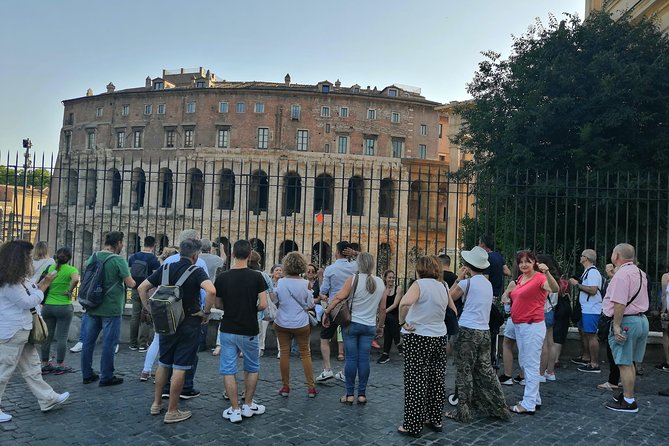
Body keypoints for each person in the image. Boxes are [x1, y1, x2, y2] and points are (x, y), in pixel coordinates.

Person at [139, 238, 215, 424]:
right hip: (188, 323)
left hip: (166, 323)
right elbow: (211, 291)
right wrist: (205, 312)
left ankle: (156, 404)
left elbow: (142, 287)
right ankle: (172, 410)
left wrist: (149, 309)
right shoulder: (196, 271)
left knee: (164, 363)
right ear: (195, 256)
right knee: (180, 367)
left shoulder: (165, 268)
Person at [0, 240, 69, 423]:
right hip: (11, 331)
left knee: (32, 368)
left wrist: (43, 285)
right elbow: (27, 302)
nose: (30, 260)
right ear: (17, 259)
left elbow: (33, 293)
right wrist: (42, 289)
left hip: (23, 330)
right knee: (4, 371)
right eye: (27, 257)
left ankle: (47, 398)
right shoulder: (8, 282)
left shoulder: (20, 278)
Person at [445, 246, 511, 423]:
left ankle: (463, 412)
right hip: (484, 332)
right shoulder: (487, 284)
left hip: (467, 331)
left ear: (468, 264)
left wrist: (458, 278)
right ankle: (500, 407)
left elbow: (448, 297)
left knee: (464, 372)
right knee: (486, 371)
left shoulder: (467, 283)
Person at [215, 240, 268, 424]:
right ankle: (248, 404)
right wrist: (251, 309)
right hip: (249, 328)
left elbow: (217, 303)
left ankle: (235, 409)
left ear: (233, 254)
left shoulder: (222, 277)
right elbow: (263, 304)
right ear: (250, 253)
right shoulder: (257, 277)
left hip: (228, 328)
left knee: (228, 369)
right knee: (252, 367)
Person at [397, 256, 451, 438]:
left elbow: (404, 303)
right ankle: (435, 418)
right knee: (436, 379)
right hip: (439, 336)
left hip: (418, 336)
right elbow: (453, 309)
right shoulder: (443, 285)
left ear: (419, 269)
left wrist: (402, 321)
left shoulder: (419, 285)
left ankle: (412, 424)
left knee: (416, 381)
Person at [502, 250, 558, 415]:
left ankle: (528, 404)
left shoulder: (540, 278)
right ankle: (535, 399)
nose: (524, 265)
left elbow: (555, 289)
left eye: (527, 261)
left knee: (531, 365)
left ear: (534, 262)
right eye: (521, 262)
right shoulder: (520, 279)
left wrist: (546, 272)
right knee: (526, 363)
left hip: (532, 325)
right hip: (521, 326)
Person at [324, 253, 385, 404]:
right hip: (369, 326)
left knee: (351, 358)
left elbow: (338, 297)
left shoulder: (353, 279)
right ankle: (362, 394)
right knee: (364, 359)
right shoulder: (380, 282)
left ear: (358, 265)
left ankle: (350, 394)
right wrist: (380, 326)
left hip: (351, 325)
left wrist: (327, 312)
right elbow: (382, 309)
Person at [81, 231, 135, 387]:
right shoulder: (118, 260)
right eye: (122, 243)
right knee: (108, 343)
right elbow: (130, 283)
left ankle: (87, 374)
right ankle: (106, 376)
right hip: (111, 308)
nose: (123, 246)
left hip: (91, 305)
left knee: (88, 342)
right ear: (118, 243)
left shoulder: (94, 257)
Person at [602, 244, 649, 413]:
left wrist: (616, 326)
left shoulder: (621, 275)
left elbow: (620, 303)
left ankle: (629, 401)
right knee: (631, 363)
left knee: (624, 363)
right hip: (641, 320)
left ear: (616, 256)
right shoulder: (640, 273)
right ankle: (627, 395)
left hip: (627, 322)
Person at [273, 252, 317, 398]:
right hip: (301, 323)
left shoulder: (281, 282)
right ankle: (311, 387)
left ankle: (285, 387)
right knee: (305, 353)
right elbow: (310, 304)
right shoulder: (306, 284)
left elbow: (276, 301)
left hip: (282, 322)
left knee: (284, 353)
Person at [317, 241, 358, 382]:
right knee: (349, 341)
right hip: (350, 308)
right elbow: (368, 261)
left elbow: (323, 291)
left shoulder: (330, 269)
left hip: (334, 308)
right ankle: (346, 371)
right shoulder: (355, 266)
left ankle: (327, 369)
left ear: (338, 252)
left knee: (324, 338)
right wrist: (356, 254)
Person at [40, 247, 80, 375]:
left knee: (47, 336)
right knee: (62, 337)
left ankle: (45, 363)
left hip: (48, 306)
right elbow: (75, 279)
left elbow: (41, 283)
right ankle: (60, 364)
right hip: (64, 306)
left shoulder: (51, 269)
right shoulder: (71, 269)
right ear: (69, 258)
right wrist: (69, 290)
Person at [479, 235, 511, 368]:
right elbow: (508, 272)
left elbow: (485, 280)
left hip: (488, 296)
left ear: (483, 245)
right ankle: (494, 355)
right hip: (499, 295)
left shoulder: (486, 258)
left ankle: (486, 357)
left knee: (486, 326)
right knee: (495, 327)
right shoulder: (498, 256)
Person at [569, 249, 603, 373]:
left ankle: (594, 363)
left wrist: (577, 284)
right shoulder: (588, 272)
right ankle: (587, 357)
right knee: (585, 333)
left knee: (591, 335)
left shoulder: (593, 273)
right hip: (586, 307)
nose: (580, 257)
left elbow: (593, 290)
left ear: (586, 258)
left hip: (591, 308)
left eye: (582, 255)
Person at [128, 236, 160, 352]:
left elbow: (129, 272)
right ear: (154, 245)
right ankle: (142, 344)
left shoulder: (133, 257)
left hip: (135, 288)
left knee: (135, 316)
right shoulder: (153, 260)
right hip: (147, 291)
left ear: (143, 243)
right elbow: (156, 277)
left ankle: (132, 343)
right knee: (146, 316)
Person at [537, 254, 559, 382]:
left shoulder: (542, 279)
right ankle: (550, 372)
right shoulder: (553, 278)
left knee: (543, 345)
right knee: (551, 342)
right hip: (551, 311)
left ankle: (540, 373)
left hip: (542, 311)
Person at [377, 270, 403, 364]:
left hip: (396, 316)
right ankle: (398, 343)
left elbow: (395, 305)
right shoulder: (382, 289)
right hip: (386, 318)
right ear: (385, 278)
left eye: (393, 277)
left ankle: (385, 354)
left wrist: (382, 313)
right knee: (388, 321)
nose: (391, 279)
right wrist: (382, 314)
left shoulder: (398, 288)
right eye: (389, 277)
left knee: (389, 320)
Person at [655, 263, 669, 374]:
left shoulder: (666, 276)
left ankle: (668, 362)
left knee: (666, 335)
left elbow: (664, 295)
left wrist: (663, 311)